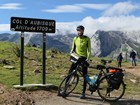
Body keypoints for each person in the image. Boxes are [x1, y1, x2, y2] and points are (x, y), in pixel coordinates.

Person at [69, 25, 91, 99]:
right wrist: (71, 55)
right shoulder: (75, 38)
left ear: (83, 31)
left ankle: (83, 93)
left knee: (85, 75)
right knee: (70, 73)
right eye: (78, 30)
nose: (79, 32)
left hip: (83, 58)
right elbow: (73, 48)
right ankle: (64, 89)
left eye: (80, 30)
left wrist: (87, 59)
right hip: (76, 58)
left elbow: (89, 50)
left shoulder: (87, 39)